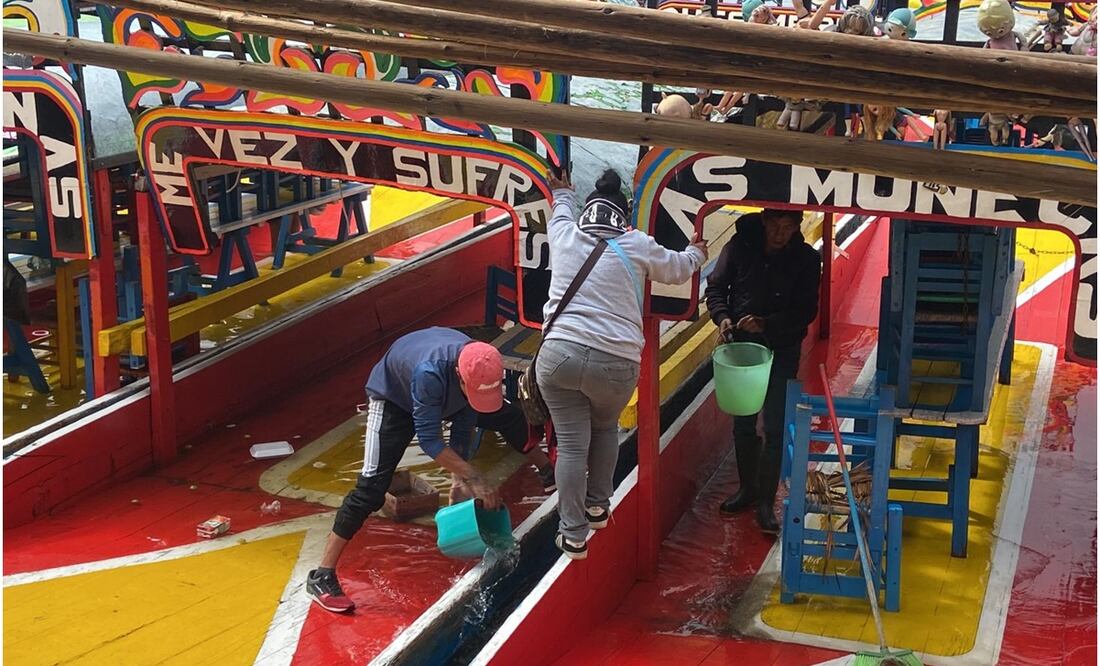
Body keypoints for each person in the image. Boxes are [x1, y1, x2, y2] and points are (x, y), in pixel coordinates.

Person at [306, 327, 552, 612]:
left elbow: (464, 418)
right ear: (460, 376)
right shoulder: (429, 373)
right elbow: (430, 440)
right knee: (371, 489)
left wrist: (458, 477)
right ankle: (322, 575)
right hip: (394, 400)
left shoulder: (480, 361)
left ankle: (547, 471)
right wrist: (475, 478)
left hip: (442, 391)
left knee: (507, 417)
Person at [540, 169, 706, 560]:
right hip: (616, 361)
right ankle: (597, 506)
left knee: (571, 444)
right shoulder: (637, 243)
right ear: (623, 214)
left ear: (589, 211)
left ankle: (573, 535)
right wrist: (699, 252)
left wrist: (563, 189)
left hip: (559, 355)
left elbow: (560, 203)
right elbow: (680, 268)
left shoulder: (566, 233)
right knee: (604, 428)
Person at [704, 209, 821, 534]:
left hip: (782, 347)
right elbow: (715, 289)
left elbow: (806, 310)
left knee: (774, 423)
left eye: (788, 228)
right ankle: (748, 489)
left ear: (796, 228)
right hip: (741, 345)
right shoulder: (739, 246)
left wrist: (768, 323)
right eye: (775, 226)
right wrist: (723, 317)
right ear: (764, 222)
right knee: (743, 420)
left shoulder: (807, 260)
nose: (780, 234)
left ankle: (766, 503)